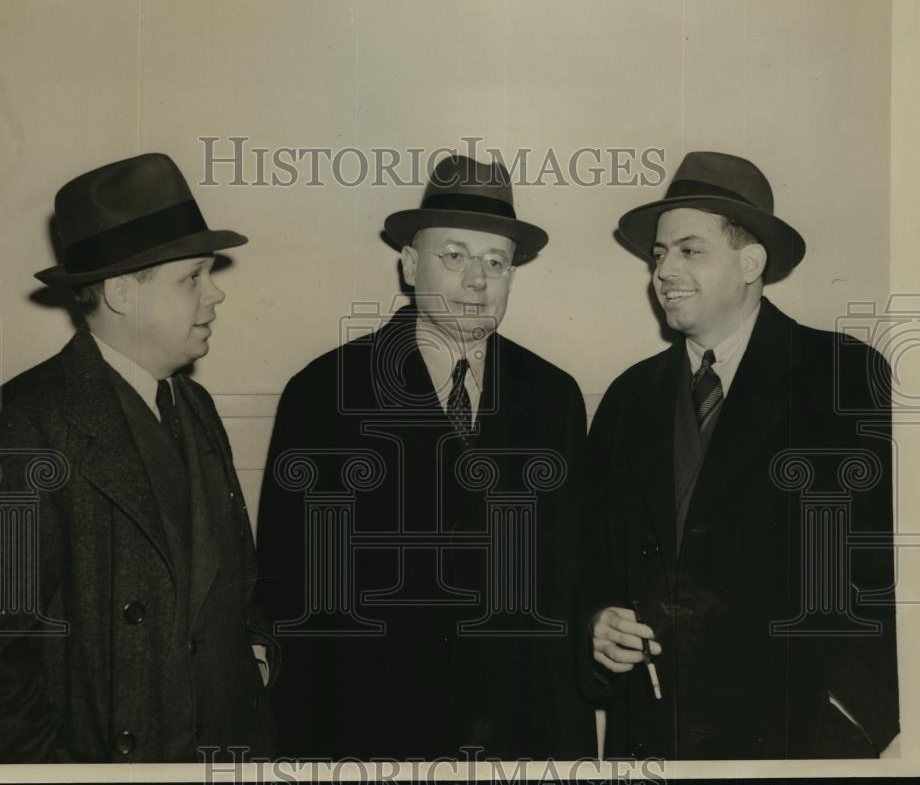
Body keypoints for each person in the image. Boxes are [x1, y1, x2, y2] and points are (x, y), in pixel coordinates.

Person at [256, 155, 594, 760]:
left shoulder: (554, 396)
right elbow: (291, 603)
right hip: (375, 740)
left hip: (517, 741)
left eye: (497, 262)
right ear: (410, 265)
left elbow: (566, 587)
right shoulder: (323, 394)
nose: (477, 281)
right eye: (455, 256)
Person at [0, 153, 276, 763]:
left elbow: (234, 577)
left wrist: (252, 654)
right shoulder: (20, 430)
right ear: (123, 292)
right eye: (194, 277)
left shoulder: (194, 403)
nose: (217, 292)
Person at [582, 151, 899, 759]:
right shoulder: (627, 398)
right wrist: (597, 627)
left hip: (795, 740)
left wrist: (855, 717)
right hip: (653, 737)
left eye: (689, 250)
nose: (664, 270)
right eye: (659, 254)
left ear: (751, 262)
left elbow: (884, 570)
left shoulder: (843, 378)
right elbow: (595, 565)